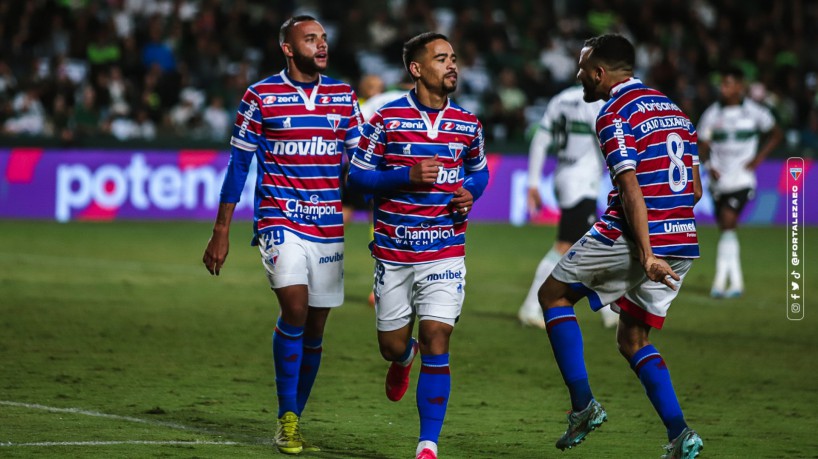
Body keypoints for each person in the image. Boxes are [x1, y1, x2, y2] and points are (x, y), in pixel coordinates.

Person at [201, 15, 363, 455]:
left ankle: (294, 417)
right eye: (310, 39)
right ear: (288, 49)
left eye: (324, 38)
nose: (321, 45)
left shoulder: (344, 97)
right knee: (295, 306)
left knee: (315, 326)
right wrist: (221, 230)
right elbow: (239, 165)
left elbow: (361, 165)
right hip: (280, 218)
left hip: (328, 224)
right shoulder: (261, 95)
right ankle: (286, 417)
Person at [537, 34, 704, 459]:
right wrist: (665, 239)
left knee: (552, 296)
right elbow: (696, 189)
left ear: (598, 73)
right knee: (632, 338)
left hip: (633, 238)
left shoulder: (613, 115)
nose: (578, 77)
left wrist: (646, 253)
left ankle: (582, 406)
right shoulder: (677, 113)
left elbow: (630, 190)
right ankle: (680, 434)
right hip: (682, 240)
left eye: (581, 69)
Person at [348, 32, 489, 459]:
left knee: (437, 337)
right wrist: (404, 178)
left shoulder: (469, 124)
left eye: (454, 58)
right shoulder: (386, 120)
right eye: (442, 58)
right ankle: (401, 358)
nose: (452, 66)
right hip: (394, 253)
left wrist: (470, 191)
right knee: (394, 345)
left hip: (445, 251)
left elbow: (479, 173)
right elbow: (357, 178)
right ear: (416, 68)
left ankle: (428, 444)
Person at [518, 84, 618, 329]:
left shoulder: (560, 99)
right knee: (567, 246)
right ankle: (531, 306)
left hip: (563, 176)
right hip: (582, 182)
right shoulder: (595, 103)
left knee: (589, 246)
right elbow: (610, 143)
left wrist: (533, 182)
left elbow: (540, 140)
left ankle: (609, 311)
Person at [697, 66, 782, 299]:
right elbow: (701, 144)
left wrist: (758, 158)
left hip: (742, 179)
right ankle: (735, 282)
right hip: (719, 180)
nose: (723, 89)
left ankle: (719, 281)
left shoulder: (754, 112)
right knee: (726, 229)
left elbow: (776, 133)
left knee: (728, 220)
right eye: (722, 84)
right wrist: (708, 166)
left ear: (739, 87)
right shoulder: (712, 114)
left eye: (727, 84)